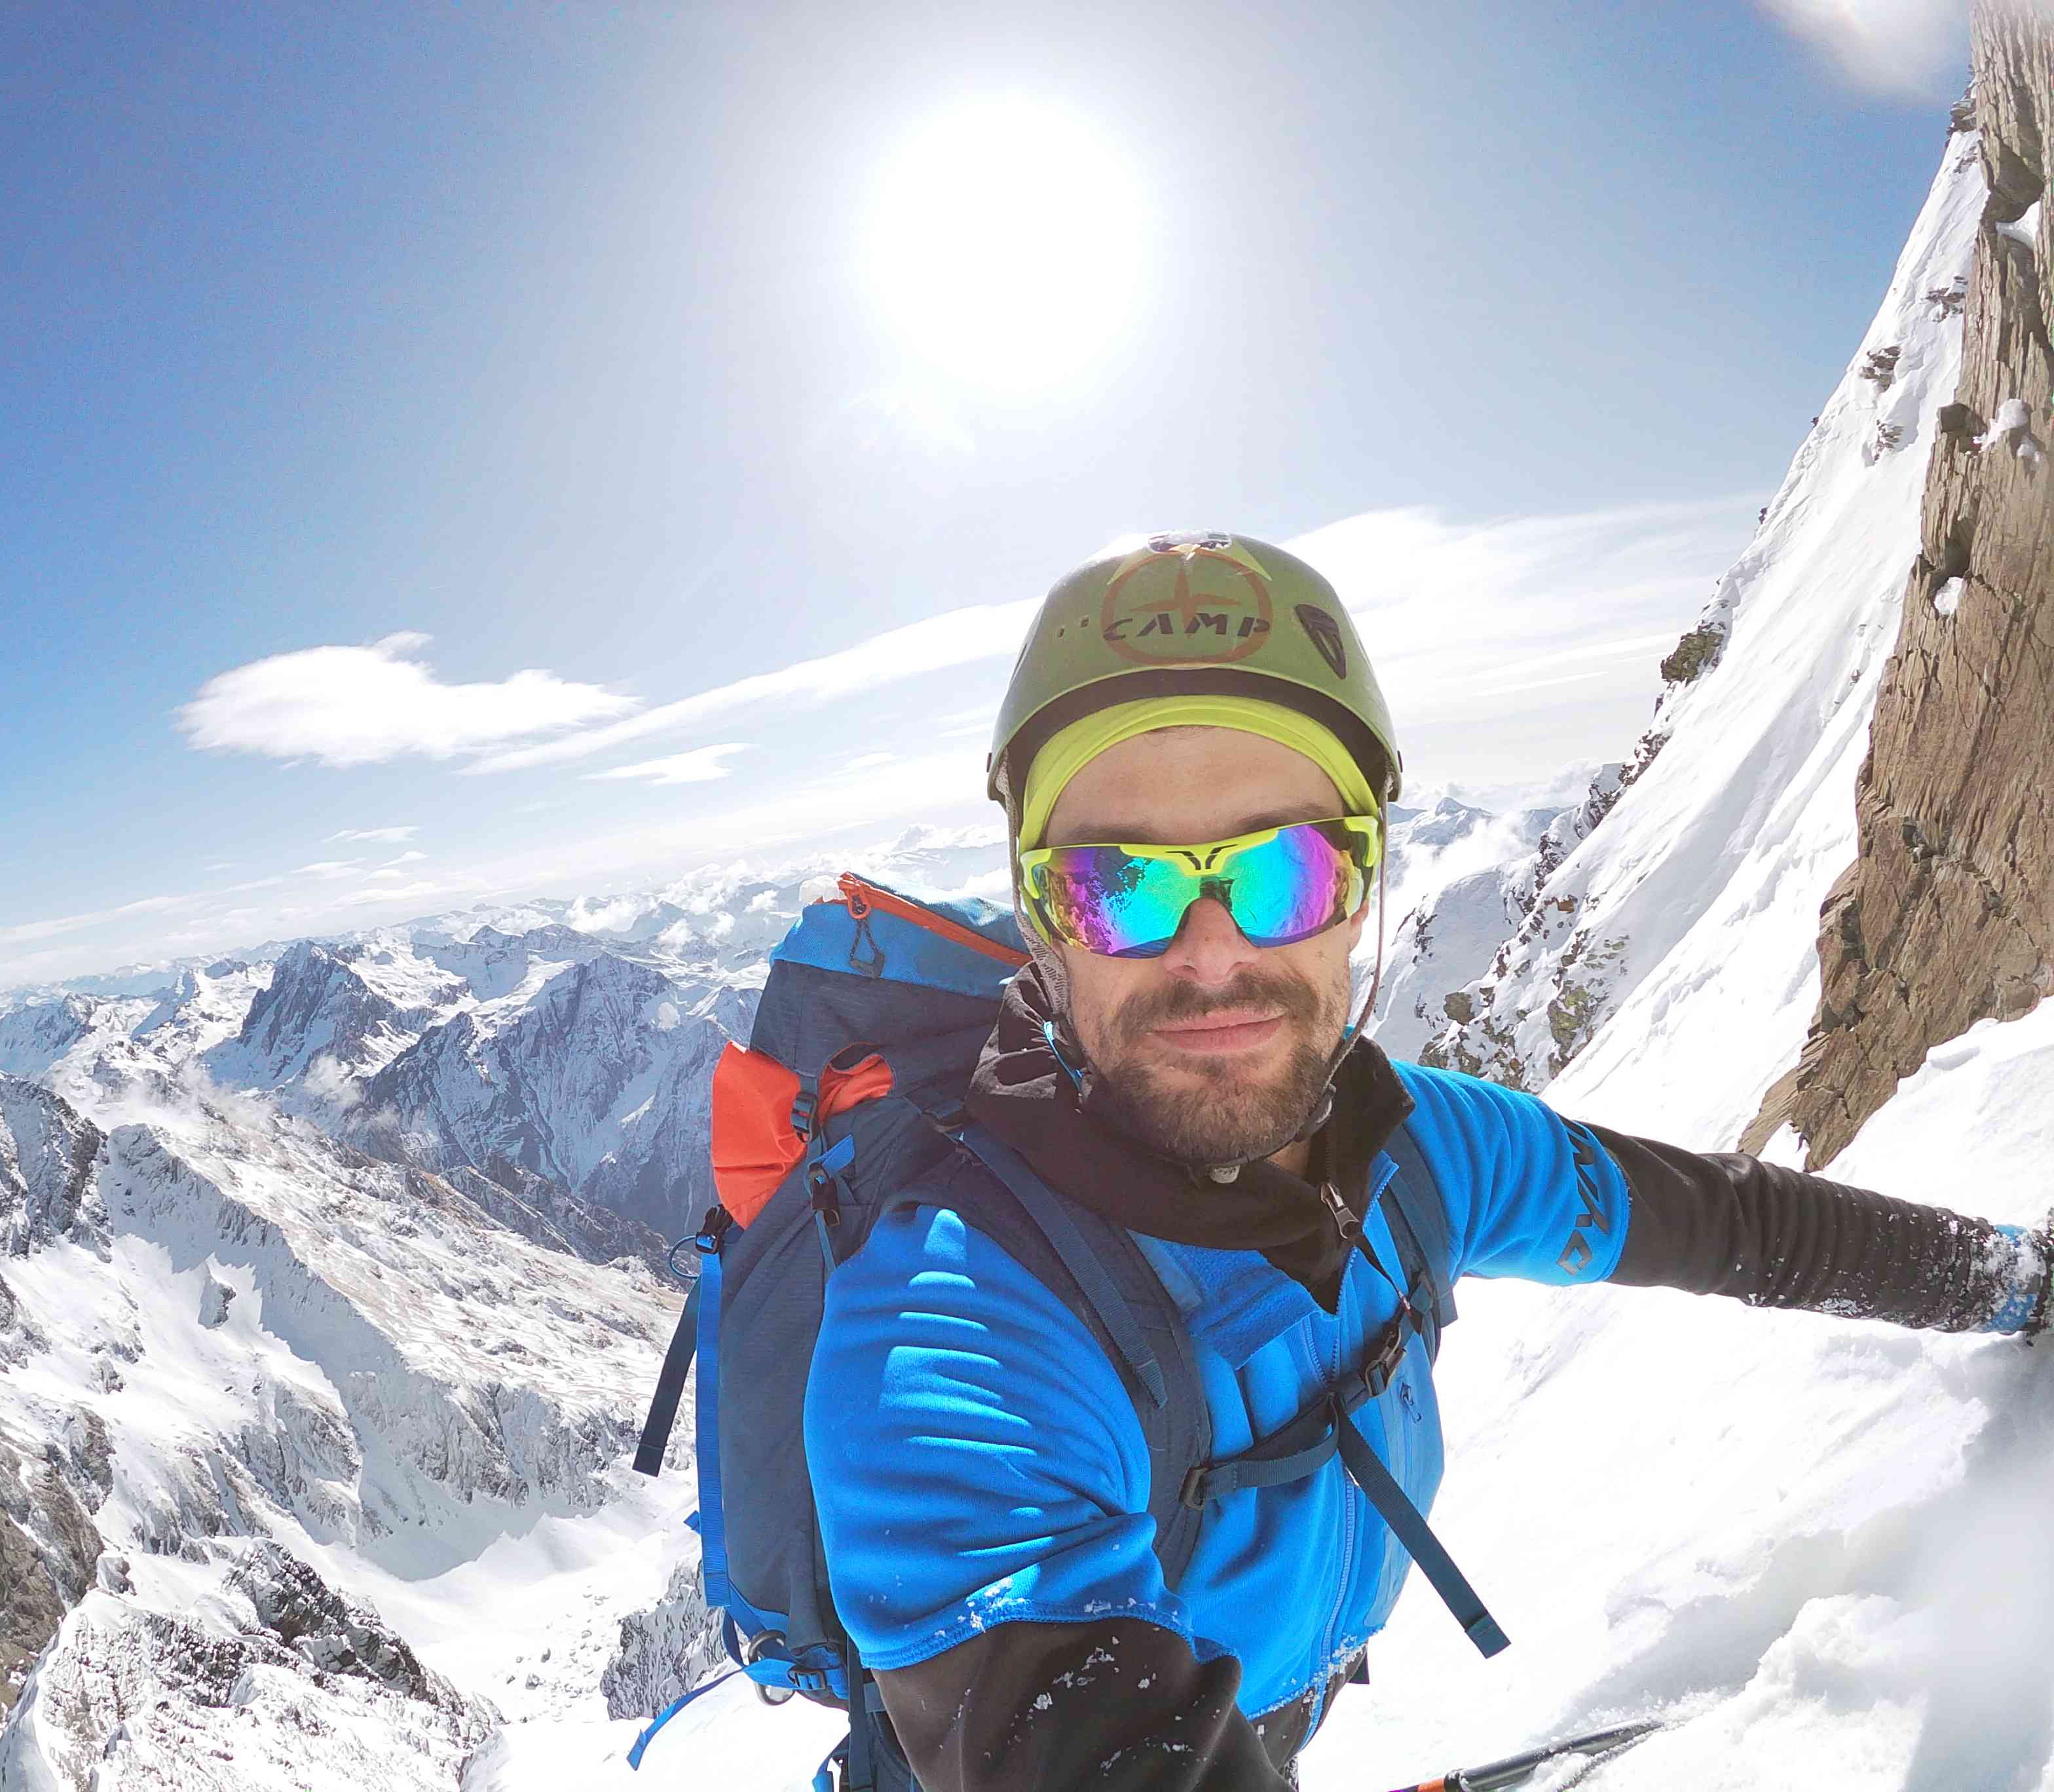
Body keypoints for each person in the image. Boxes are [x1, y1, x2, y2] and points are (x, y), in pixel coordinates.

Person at [802, 532, 2049, 1791]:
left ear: (1362, 885)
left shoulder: (1422, 1158)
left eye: (1286, 871)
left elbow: (1733, 1227)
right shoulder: (954, 1327)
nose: (1212, 955)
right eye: (1115, 886)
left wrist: (2020, 1280)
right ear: (1043, 919)